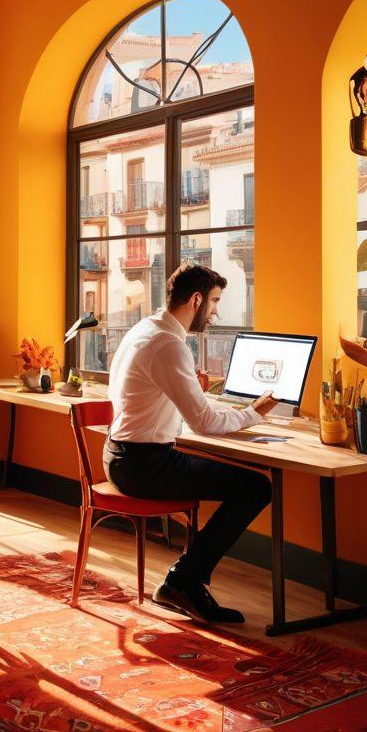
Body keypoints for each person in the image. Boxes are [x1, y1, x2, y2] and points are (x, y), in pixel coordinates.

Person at [105, 263, 278, 624]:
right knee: (256, 486)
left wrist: (196, 395)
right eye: (214, 302)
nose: (216, 312)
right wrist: (255, 412)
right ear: (197, 299)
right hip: (144, 466)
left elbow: (159, 398)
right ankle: (182, 582)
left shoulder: (146, 329)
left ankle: (183, 580)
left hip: (122, 454)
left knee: (247, 482)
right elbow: (204, 424)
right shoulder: (168, 345)